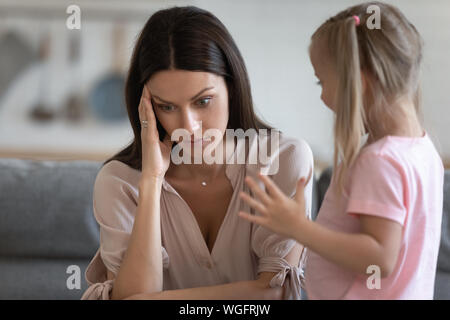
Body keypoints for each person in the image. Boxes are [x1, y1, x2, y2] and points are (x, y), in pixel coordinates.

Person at [81, 6, 314, 300]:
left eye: (203, 101)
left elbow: (273, 295)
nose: (188, 127)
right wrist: (152, 181)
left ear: (232, 86)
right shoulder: (119, 181)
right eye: (167, 107)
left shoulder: (284, 160)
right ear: (146, 108)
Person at [238, 1, 444, 299]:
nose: (322, 96)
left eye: (322, 82)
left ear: (358, 84)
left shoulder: (380, 161)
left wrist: (299, 228)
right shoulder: (424, 150)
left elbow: (379, 258)